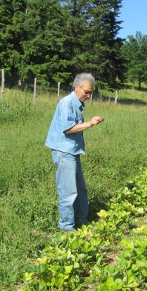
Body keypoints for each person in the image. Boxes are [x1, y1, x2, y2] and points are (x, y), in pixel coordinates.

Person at [45, 73, 104, 232]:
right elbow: (68, 128)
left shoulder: (77, 103)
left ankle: (81, 222)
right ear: (76, 87)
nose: (88, 95)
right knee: (68, 191)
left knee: (80, 189)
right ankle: (67, 228)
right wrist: (90, 123)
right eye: (86, 92)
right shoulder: (67, 104)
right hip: (64, 151)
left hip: (72, 151)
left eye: (91, 93)